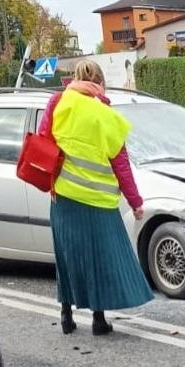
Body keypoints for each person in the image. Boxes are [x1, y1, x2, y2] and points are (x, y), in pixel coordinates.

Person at [43, 61, 152, 336]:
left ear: (75, 79)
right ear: (100, 82)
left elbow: (45, 139)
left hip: (64, 197)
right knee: (99, 258)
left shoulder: (58, 102)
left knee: (67, 256)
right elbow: (121, 163)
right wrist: (135, 201)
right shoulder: (104, 112)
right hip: (98, 201)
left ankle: (66, 315)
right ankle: (99, 319)